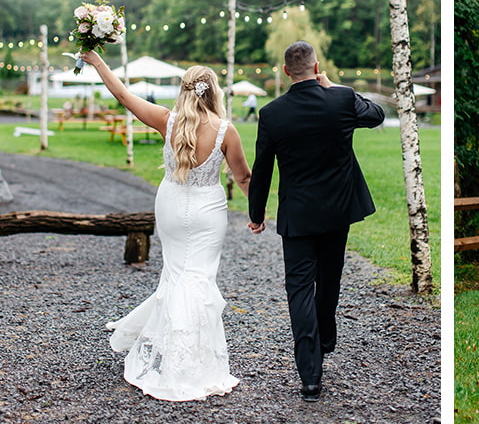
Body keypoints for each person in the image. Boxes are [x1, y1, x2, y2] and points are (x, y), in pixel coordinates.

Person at [87, 50, 253, 402]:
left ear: (183, 89)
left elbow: (122, 95)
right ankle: (184, 361)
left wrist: (98, 62)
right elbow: (243, 177)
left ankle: (170, 347)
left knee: (177, 274)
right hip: (209, 212)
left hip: (172, 207)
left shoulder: (167, 120)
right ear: (215, 92)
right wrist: (257, 214)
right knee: (199, 278)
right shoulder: (227, 131)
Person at [247, 41, 385, 402]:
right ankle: (325, 334)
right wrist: (336, 87)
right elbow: (376, 115)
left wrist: (256, 215)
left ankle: (310, 375)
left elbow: (262, 170)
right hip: (338, 210)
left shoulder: (272, 113)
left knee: (299, 289)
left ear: (285, 71)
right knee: (329, 278)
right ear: (316, 66)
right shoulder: (340, 100)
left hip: (298, 214)